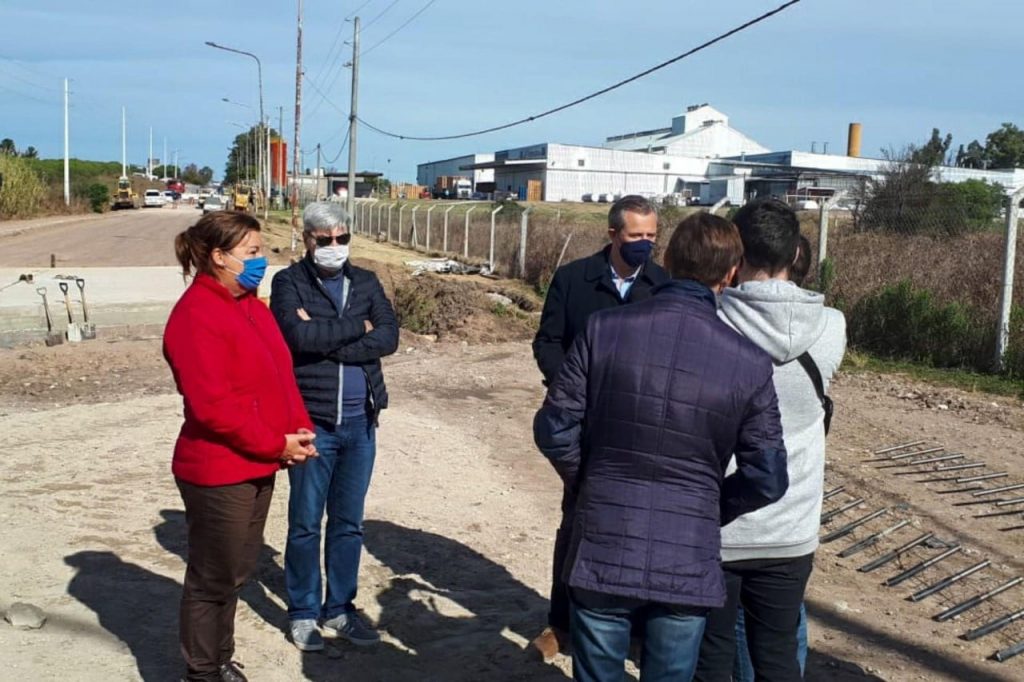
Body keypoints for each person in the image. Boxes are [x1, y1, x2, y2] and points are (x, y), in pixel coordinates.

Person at [534, 212, 790, 682]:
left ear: (667, 260)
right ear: (731, 274)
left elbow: (554, 428)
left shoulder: (604, 330)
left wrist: (589, 479)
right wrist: (711, 506)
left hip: (604, 540)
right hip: (688, 556)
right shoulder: (750, 363)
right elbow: (769, 477)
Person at [695, 200, 846, 682]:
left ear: (734, 256)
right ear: (796, 252)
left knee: (711, 653)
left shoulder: (709, 323)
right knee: (778, 655)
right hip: (792, 523)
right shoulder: (832, 326)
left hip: (718, 522)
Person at [164, 211, 318, 682]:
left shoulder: (250, 304)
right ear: (219, 257)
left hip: (259, 461)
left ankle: (219, 659)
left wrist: (299, 431)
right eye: (252, 253)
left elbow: (280, 374)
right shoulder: (195, 316)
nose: (261, 260)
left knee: (235, 572)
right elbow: (214, 408)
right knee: (212, 579)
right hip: (218, 469)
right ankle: (202, 673)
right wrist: (276, 443)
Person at [530, 195, 669, 658]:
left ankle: (634, 630)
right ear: (612, 234)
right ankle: (561, 625)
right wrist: (571, 387)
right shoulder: (574, 280)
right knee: (577, 525)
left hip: (645, 428)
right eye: (636, 237)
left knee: (643, 530)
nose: (644, 245)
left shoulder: (663, 286)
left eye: (651, 237)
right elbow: (548, 341)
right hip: (587, 425)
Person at [270, 201, 399, 653]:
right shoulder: (288, 283)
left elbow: (389, 336)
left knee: (348, 523)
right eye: (324, 240)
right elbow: (297, 338)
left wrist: (332, 337)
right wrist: (356, 327)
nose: (334, 247)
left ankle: (340, 608)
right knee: (305, 523)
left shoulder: (365, 281)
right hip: (314, 423)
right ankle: (303, 612)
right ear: (306, 239)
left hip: (361, 423)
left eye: (341, 239)